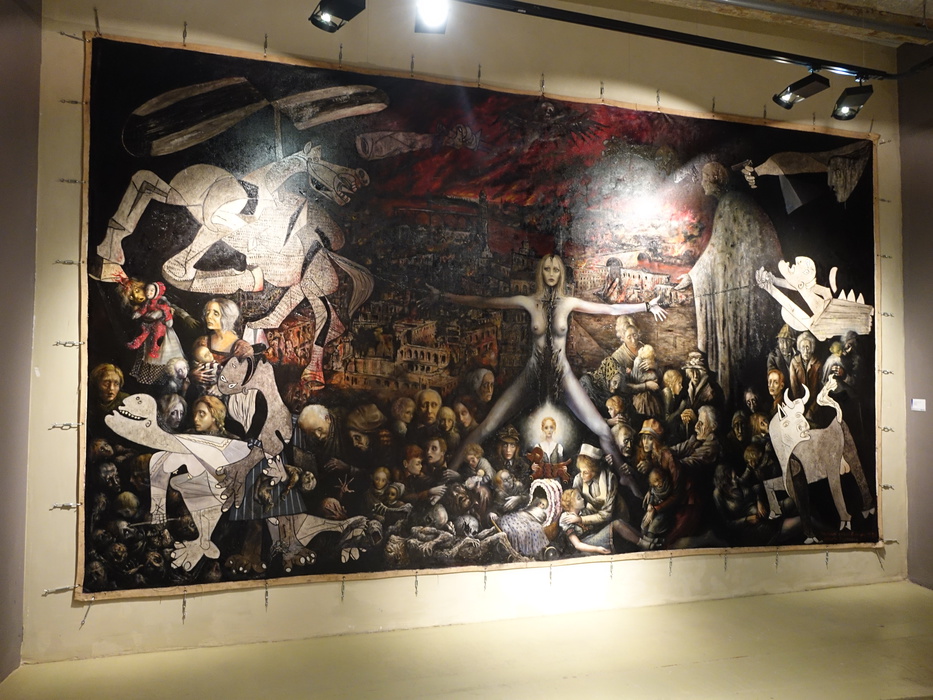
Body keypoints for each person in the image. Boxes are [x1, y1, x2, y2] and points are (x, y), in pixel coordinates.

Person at [430, 254, 666, 497]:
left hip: (562, 374)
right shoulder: (528, 301)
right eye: (547, 269)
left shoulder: (569, 303)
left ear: (560, 273)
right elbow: (485, 301)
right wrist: (445, 296)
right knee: (487, 426)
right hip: (532, 374)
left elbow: (611, 309)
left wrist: (647, 306)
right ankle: (449, 473)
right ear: (541, 272)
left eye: (556, 270)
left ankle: (625, 477)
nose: (551, 274)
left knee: (603, 430)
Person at [675, 161, 782, 400]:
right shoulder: (733, 202)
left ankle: (734, 399)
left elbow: (718, 251)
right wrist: (694, 276)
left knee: (735, 350)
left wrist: (692, 276)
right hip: (742, 291)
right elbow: (720, 252)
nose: (702, 183)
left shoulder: (730, 204)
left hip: (741, 295)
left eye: (705, 177)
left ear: (716, 179)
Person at [190, 298, 254, 391]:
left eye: (215, 313)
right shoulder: (202, 342)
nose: (209, 317)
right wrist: (193, 374)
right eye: (207, 313)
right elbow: (191, 369)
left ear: (227, 318)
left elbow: (245, 381)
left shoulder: (242, 348)